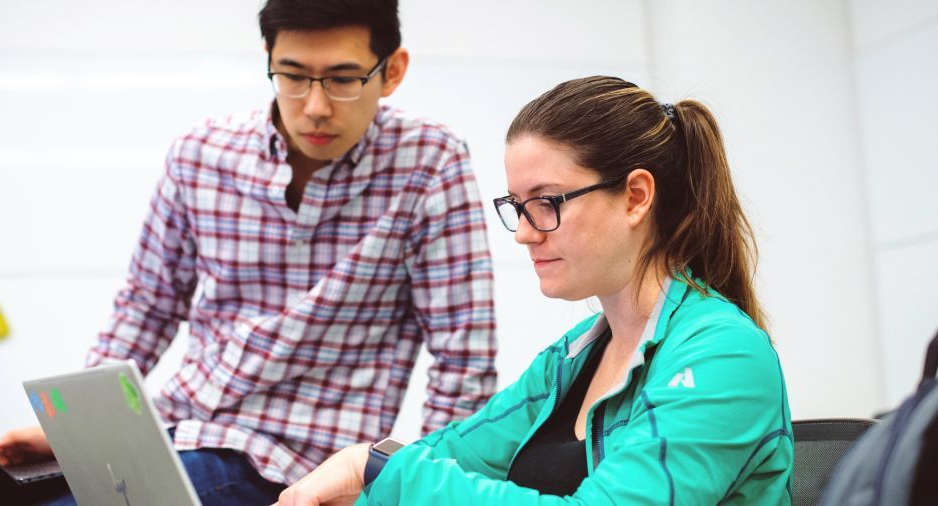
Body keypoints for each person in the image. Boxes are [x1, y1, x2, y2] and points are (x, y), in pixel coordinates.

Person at [0, 0, 497, 506]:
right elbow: (146, 304)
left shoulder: (430, 163)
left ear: (391, 71)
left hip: (293, 467)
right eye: (292, 75)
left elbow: (462, 353)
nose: (315, 106)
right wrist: (75, 434)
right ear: (268, 60)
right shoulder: (202, 153)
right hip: (168, 435)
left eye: (343, 79)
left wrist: (415, 490)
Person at [275, 76, 794, 505]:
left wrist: (378, 468)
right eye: (517, 207)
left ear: (635, 197)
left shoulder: (724, 354)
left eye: (546, 203)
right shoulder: (569, 361)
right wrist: (354, 487)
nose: (525, 231)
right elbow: (454, 455)